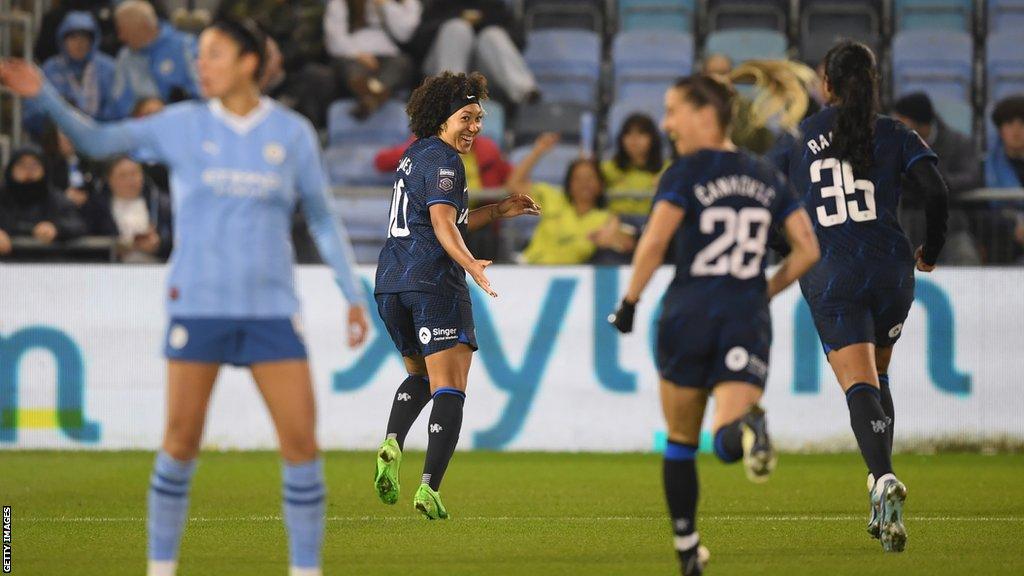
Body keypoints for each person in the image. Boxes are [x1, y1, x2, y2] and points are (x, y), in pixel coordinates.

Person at [2, 18, 369, 576]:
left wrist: (352, 293)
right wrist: (45, 96)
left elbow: (321, 219)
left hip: (271, 311)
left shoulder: (292, 133)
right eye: (199, 55)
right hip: (197, 306)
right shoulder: (179, 125)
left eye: (214, 54)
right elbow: (100, 141)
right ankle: (161, 568)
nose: (201, 64)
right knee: (179, 444)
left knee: (301, 446)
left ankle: (305, 570)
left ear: (249, 62)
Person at [608, 74, 820, 576]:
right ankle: (748, 426)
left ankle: (687, 552)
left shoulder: (684, 172)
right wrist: (761, 289)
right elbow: (809, 249)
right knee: (726, 433)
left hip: (687, 313)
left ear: (705, 115)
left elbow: (655, 242)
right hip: (745, 317)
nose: (666, 123)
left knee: (682, 439)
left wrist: (630, 302)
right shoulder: (766, 176)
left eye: (673, 110)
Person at [770, 41, 949, 553]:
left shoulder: (796, 137)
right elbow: (935, 192)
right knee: (879, 374)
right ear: (873, 83)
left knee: (858, 384)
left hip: (834, 271)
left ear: (824, 85)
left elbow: (762, 202)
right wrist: (930, 251)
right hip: (893, 268)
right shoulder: (895, 132)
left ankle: (883, 477)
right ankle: (877, 490)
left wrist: (791, 249)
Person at [371, 71, 540, 519]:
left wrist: (498, 209)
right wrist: (471, 265)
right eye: (466, 117)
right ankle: (428, 488)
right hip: (433, 282)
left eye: (479, 118)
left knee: (423, 376)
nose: (474, 127)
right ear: (442, 119)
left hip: (391, 283)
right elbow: (444, 225)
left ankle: (392, 441)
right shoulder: (445, 161)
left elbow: (444, 218)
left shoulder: (415, 156)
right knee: (451, 386)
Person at [507, 132, 636, 264]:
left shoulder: (606, 218)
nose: (584, 184)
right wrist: (538, 151)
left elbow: (628, 244)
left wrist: (613, 236)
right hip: (529, 269)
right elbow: (514, 184)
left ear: (600, 184)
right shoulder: (553, 197)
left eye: (590, 178)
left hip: (572, 275)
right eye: (578, 178)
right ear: (569, 183)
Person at [409, 0, 539, 106]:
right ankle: (451, 95)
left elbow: (518, 42)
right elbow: (418, 45)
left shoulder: (493, 5)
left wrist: (481, 23)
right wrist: (458, 18)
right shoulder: (437, 4)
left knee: (491, 35)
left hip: (481, 71)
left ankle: (525, 92)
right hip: (441, 66)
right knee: (458, 28)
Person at [24, 11, 119, 135]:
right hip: (58, 137)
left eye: (84, 38)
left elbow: (118, 109)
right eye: (73, 37)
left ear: (94, 41)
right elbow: (34, 111)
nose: (79, 43)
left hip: (102, 138)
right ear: (62, 40)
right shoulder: (50, 68)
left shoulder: (108, 68)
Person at [324, 0, 421, 119]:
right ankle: (375, 95)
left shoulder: (404, 2)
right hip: (353, 56)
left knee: (402, 64)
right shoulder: (341, 3)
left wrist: (385, 4)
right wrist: (357, 54)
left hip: (391, 56)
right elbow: (334, 41)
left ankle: (370, 97)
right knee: (351, 70)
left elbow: (405, 35)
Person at [109, 0, 201, 119]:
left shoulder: (185, 46)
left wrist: (171, 107)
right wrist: (139, 108)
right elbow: (117, 101)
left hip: (185, 123)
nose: (120, 37)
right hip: (142, 129)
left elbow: (205, 92)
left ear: (143, 26)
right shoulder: (125, 56)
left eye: (122, 29)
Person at [0, 146, 88, 255]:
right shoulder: (2, 197)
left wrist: (56, 228)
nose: (28, 171)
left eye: (34, 166)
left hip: (46, 265)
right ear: (10, 169)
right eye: (22, 165)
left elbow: (78, 224)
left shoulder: (56, 199)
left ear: (44, 170)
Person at [375, 133, 511, 191]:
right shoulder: (425, 144)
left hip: (478, 227)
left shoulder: (487, 149)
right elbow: (382, 162)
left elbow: (511, 177)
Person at [100, 155, 173, 262]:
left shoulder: (162, 204)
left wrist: (159, 243)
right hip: (107, 267)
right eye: (123, 175)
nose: (130, 181)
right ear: (110, 179)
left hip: (156, 264)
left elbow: (177, 236)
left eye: (134, 174)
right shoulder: (97, 208)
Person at [601, 113, 668, 217]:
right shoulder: (607, 169)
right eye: (628, 133)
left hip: (653, 223)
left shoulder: (667, 169)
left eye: (641, 133)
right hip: (615, 223)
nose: (634, 139)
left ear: (653, 138)